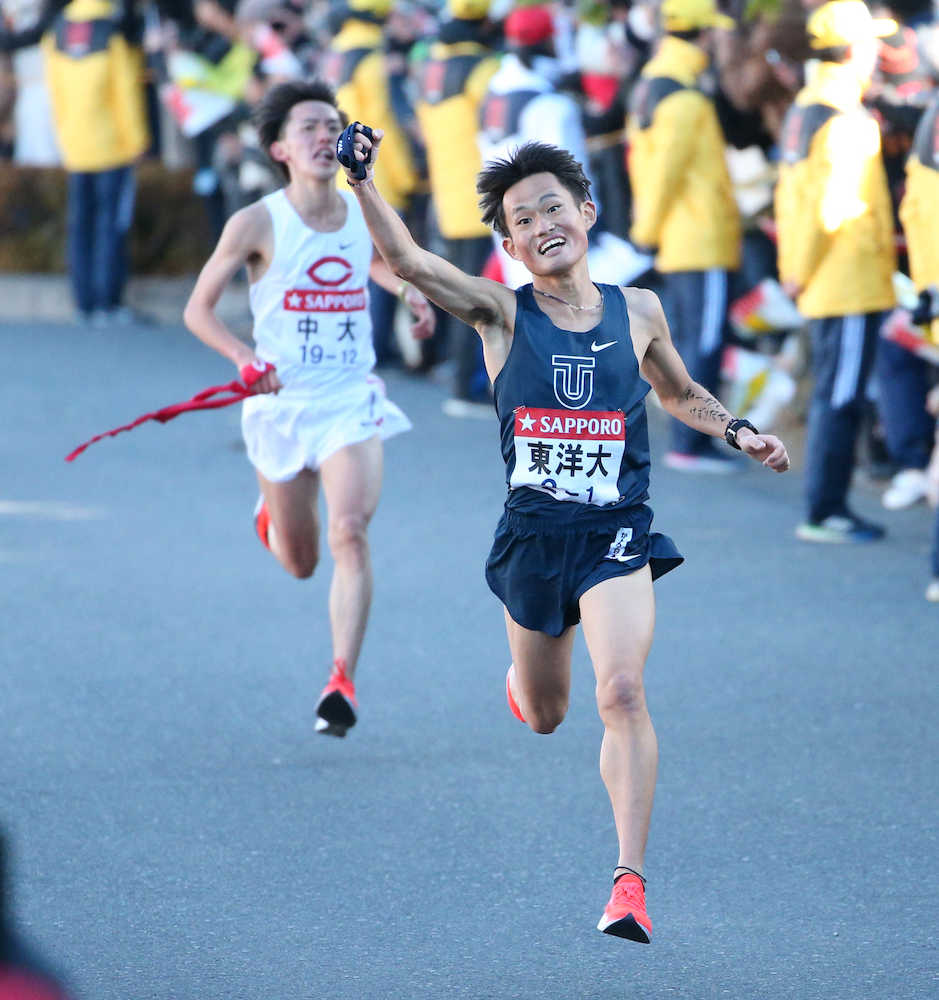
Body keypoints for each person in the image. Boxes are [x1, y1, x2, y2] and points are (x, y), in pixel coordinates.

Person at [338, 125, 790, 941]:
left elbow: (680, 392)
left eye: (554, 205)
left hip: (617, 532)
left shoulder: (639, 308)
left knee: (620, 692)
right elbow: (408, 264)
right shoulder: (499, 312)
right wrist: (363, 183)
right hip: (534, 541)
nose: (542, 221)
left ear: (586, 211)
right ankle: (523, 684)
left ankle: (628, 884)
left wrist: (738, 432)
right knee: (547, 714)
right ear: (508, 245)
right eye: (522, 217)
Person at [183, 79, 434, 737]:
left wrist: (405, 293)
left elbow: (378, 260)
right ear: (280, 150)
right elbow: (197, 310)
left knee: (349, 530)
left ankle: (340, 681)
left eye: (333, 125)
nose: (326, 137)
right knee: (301, 562)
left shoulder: (362, 209)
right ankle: (272, 514)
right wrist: (244, 360)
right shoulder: (256, 222)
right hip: (279, 404)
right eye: (309, 129)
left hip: (348, 397)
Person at [775, 0, 899, 543]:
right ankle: (826, 511)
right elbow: (832, 208)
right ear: (853, 50)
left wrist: (794, 270)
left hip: (825, 275)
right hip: (846, 278)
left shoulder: (807, 106)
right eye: (872, 42)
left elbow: (796, 200)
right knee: (840, 397)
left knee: (834, 392)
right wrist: (800, 271)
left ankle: (826, 508)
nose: (878, 52)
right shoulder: (846, 119)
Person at [625, 0, 743, 473]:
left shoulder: (652, 85)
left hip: (679, 238)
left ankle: (689, 439)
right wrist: (647, 231)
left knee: (688, 338)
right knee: (703, 341)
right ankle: (693, 443)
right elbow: (666, 175)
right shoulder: (686, 98)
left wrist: (647, 230)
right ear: (702, 35)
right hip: (700, 238)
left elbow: (647, 169)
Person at [415, 0, 499, 417]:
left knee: (460, 292)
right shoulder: (484, 71)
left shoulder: (431, 68)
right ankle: (468, 387)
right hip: (482, 198)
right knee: (479, 298)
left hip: (448, 197)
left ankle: (459, 376)